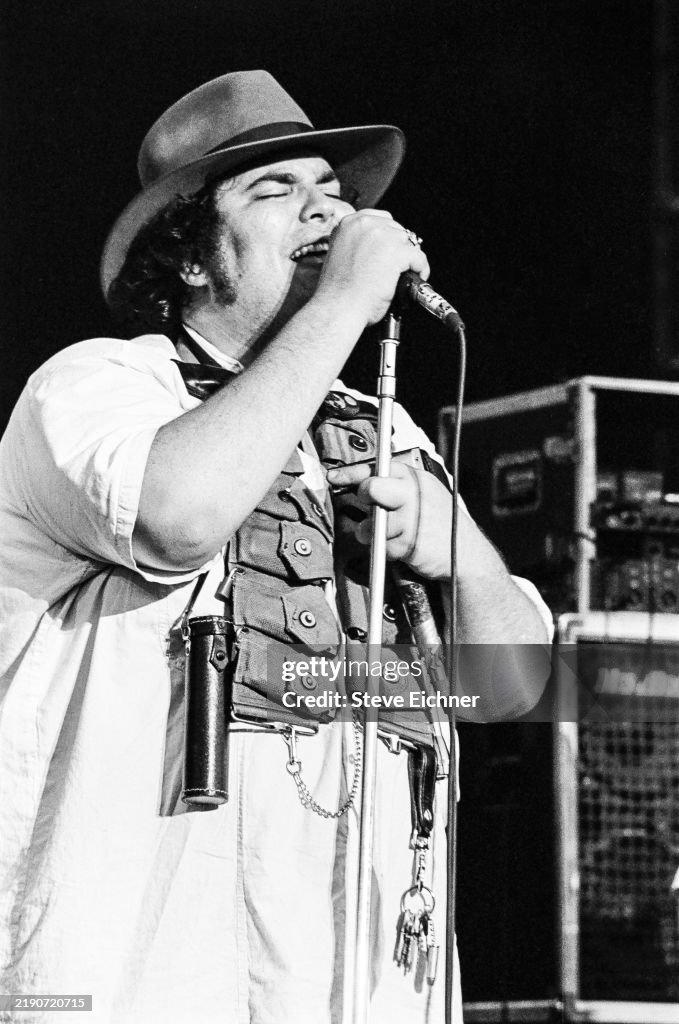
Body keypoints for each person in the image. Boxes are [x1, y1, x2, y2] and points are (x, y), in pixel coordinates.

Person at [0, 71, 551, 1024]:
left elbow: (518, 690)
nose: (327, 214)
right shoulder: (98, 388)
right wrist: (340, 306)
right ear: (190, 260)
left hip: (363, 982)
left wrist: (453, 543)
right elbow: (176, 515)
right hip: (150, 973)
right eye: (275, 191)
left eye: (333, 193)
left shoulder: (385, 431)